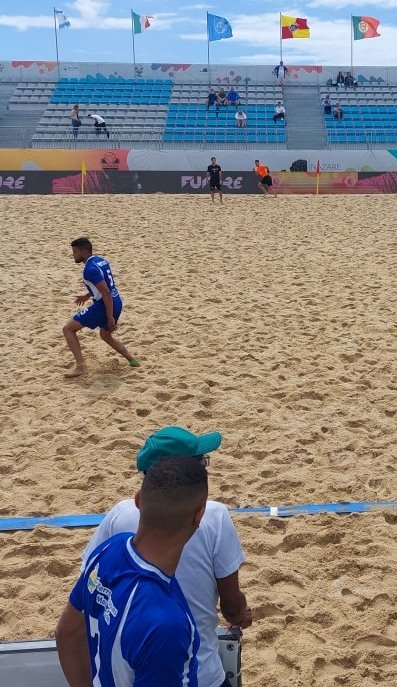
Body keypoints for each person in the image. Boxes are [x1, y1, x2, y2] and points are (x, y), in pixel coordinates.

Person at [81, 426, 253, 687]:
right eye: (201, 462)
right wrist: (241, 615)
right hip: (201, 674)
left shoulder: (116, 522)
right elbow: (230, 607)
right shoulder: (214, 516)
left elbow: (81, 606)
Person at [55, 457, 208, 686]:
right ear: (198, 515)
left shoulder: (107, 549)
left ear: (137, 500)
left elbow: (66, 634)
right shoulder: (166, 625)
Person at [63, 237, 140, 378]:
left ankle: (81, 367)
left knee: (68, 328)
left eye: (74, 252)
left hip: (104, 305)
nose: (73, 255)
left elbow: (105, 292)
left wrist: (109, 317)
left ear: (82, 251)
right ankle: (132, 360)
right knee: (105, 335)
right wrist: (87, 295)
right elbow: (104, 285)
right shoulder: (100, 260)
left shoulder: (89, 269)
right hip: (117, 301)